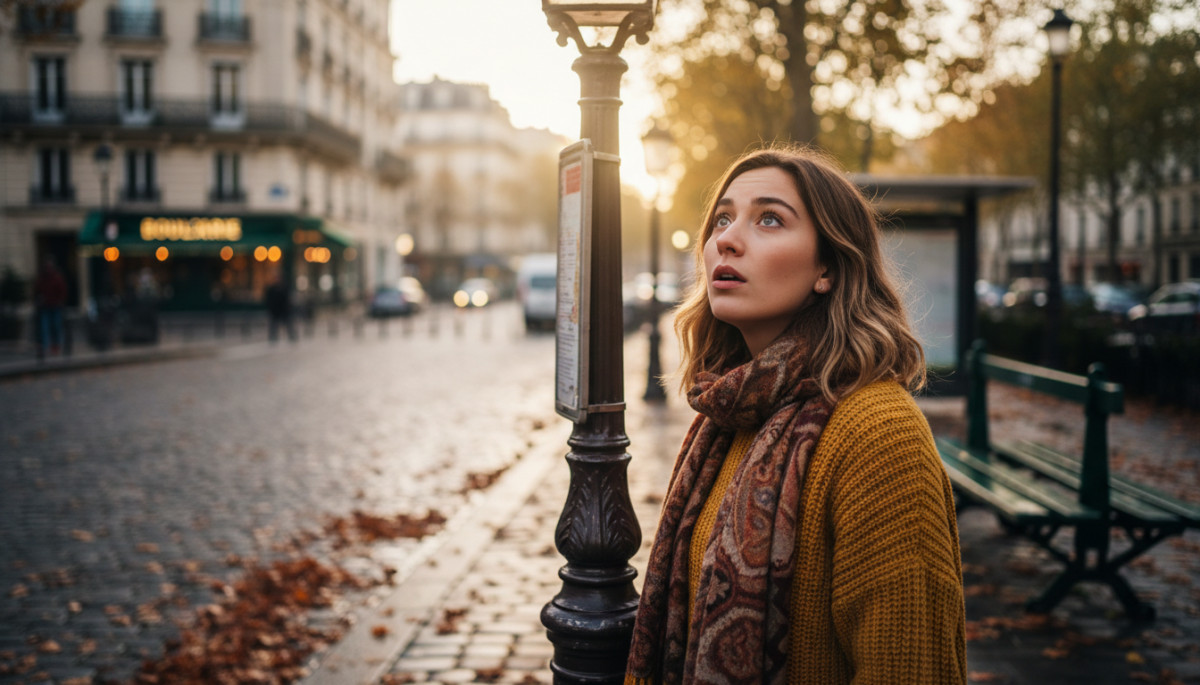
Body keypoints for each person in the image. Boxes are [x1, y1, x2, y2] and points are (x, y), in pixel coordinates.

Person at [625, 146, 966, 684]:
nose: (726, 240)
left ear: (827, 267)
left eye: (769, 219)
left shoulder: (879, 434)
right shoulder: (728, 415)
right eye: (722, 219)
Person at [33, 257, 68, 355]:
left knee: (56, 326)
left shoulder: (57, 278)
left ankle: (56, 345)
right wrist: (38, 300)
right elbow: (36, 291)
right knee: (45, 327)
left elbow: (62, 291)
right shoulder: (41, 279)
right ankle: (45, 347)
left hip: (55, 306)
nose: (48, 269)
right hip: (45, 307)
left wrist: (60, 301)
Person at [264, 272, 297, 343]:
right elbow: (268, 300)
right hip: (275, 311)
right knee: (273, 325)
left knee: (289, 324)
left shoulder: (284, 288)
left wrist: (288, 307)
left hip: (284, 310)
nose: (277, 280)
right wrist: (271, 308)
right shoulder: (271, 289)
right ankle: (272, 338)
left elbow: (288, 299)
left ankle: (292, 337)